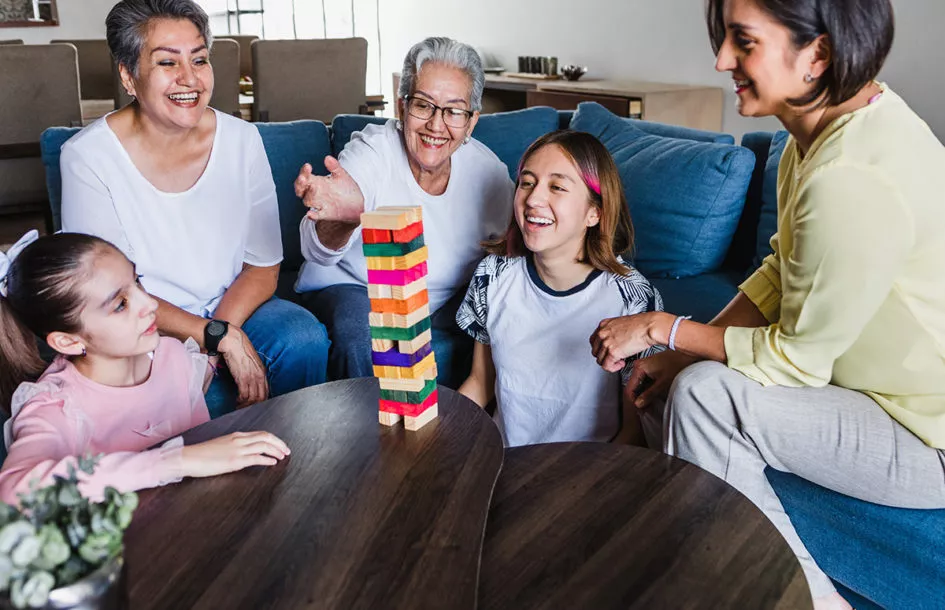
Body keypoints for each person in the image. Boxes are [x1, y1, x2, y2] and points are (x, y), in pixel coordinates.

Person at [588, 0, 945, 607]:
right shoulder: (818, 134)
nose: (722, 58)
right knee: (673, 385)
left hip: (925, 433)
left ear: (820, 54)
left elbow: (797, 361)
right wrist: (676, 350)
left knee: (704, 394)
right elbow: (780, 269)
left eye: (743, 41)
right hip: (881, 400)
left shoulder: (848, 175)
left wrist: (662, 327)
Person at [60, 0, 329, 418]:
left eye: (199, 59)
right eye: (168, 62)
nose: (190, 78)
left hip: (234, 304)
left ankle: (297, 465)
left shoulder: (241, 140)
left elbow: (262, 267)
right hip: (144, 320)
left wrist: (219, 337)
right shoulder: (87, 157)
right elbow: (111, 295)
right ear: (129, 76)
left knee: (302, 337)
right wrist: (217, 337)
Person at [0, 232, 289, 504]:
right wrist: (178, 460)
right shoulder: (56, 406)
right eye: (121, 305)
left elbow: (193, 377)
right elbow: (16, 492)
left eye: (137, 282)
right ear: (68, 341)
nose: (150, 303)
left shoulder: (171, 355)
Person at [294, 36, 513, 387]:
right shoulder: (372, 152)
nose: (436, 125)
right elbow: (316, 253)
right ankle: (378, 442)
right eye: (423, 105)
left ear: (471, 122)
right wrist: (343, 220)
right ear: (401, 107)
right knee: (373, 341)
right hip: (354, 289)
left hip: (436, 302)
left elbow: (522, 250)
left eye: (454, 111)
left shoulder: (490, 175)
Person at [456, 131, 662, 447]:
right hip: (504, 464)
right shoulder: (492, 274)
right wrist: (437, 437)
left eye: (557, 187)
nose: (534, 199)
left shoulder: (633, 298)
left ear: (596, 212)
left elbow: (634, 429)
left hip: (588, 476)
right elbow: (481, 383)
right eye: (526, 183)